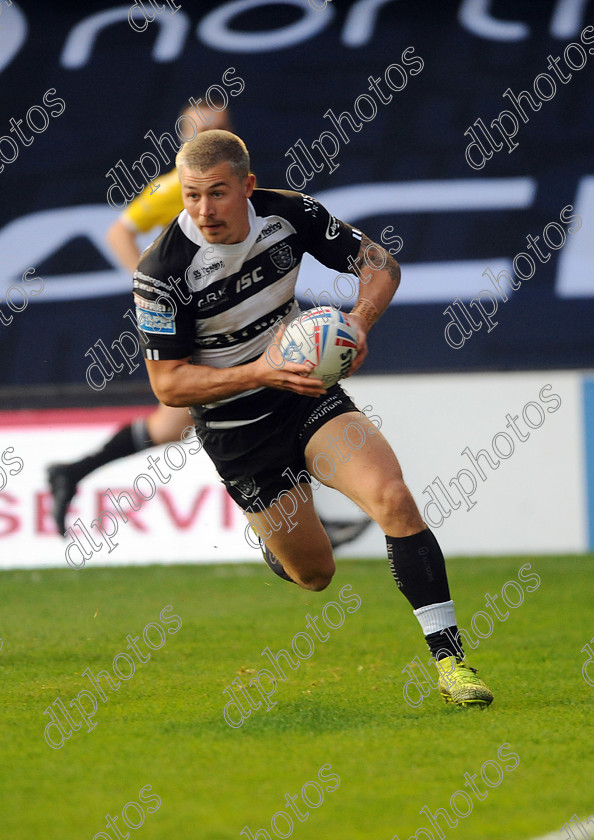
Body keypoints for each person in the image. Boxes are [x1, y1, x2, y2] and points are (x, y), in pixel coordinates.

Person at [131, 129, 493, 707]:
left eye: (218, 194)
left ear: (247, 186)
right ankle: (279, 543)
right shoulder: (160, 271)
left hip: (306, 395)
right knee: (315, 575)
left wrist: (360, 323)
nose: (204, 210)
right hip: (235, 430)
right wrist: (261, 372)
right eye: (192, 196)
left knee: (393, 499)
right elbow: (168, 383)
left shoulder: (291, 215)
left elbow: (380, 265)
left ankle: (452, 662)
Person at [47, 102, 370, 550]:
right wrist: (151, 292)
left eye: (222, 127)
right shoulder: (173, 188)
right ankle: (294, 529)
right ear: (183, 138)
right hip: (197, 330)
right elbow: (118, 232)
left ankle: (74, 470)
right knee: (241, 409)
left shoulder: (230, 183)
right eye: (206, 129)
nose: (217, 133)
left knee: (171, 426)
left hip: (229, 319)